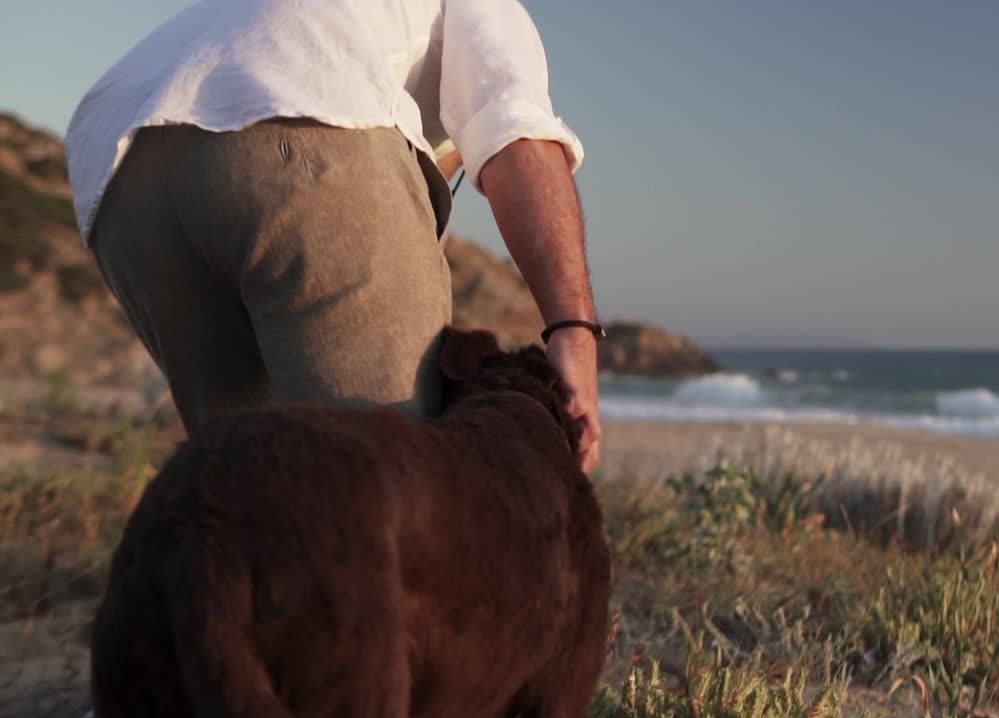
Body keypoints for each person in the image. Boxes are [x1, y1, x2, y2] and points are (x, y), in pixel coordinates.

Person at [65, 0, 603, 471]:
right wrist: (573, 332)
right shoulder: (488, 9)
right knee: (390, 486)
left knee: (255, 489)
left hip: (114, 166)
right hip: (294, 117)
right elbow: (518, 142)